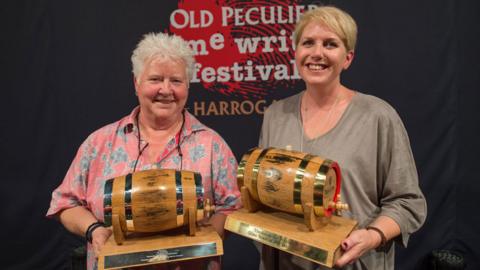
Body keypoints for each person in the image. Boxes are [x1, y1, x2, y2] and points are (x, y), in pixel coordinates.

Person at [46, 32, 241, 270]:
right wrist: (94, 230)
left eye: (176, 81)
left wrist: (206, 240)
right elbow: (64, 202)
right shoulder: (99, 143)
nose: (166, 90)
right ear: (136, 83)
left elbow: (233, 205)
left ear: (188, 86)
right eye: (155, 79)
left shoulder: (212, 146)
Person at [258, 6, 427, 270]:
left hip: (353, 263)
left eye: (330, 44)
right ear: (296, 53)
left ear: (347, 58)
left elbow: (407, 202)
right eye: (308, 43)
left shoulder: (378, 116)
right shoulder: (276, 115)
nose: (317, 53)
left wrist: (372, 236)